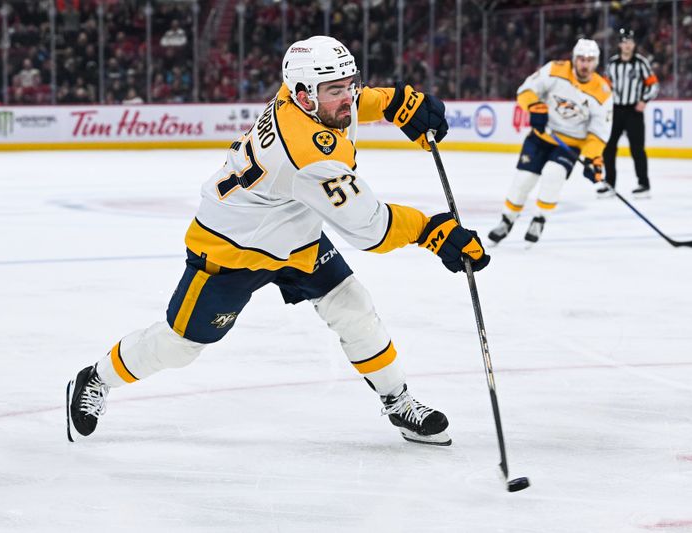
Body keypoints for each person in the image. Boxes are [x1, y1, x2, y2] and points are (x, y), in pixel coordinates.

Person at [66, 36, 490, 447]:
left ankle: (397, 402)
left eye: (349, 84)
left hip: (296, 239)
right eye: (335, 90)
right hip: (232, 249)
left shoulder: (302, 99)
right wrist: (433, 231)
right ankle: (96, 378)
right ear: (305, 95)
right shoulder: (309, 153)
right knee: (182, 345)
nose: (348, 98)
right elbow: (370, 229)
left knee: (354, 308)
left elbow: (354, 101)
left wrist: (395, 101)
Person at [487, 38, 613, 245]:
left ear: (596, 62)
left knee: (553, 175)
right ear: (574, 58)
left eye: (590, 60)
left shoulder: (603, 91)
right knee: (523, 180)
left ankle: (539, 219)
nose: (585, 64)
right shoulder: (555, 69)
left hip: (570, 144)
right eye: (581, 59)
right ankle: (507, 220)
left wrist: (593, 158)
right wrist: (535, 107)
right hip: (541, 136)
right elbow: (525, 91)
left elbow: (599, 133)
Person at [601, 28, 659, 199]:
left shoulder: (641, 63)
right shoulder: (612, 64)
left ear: (634, 44)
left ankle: (644, 184)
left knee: (637, 149)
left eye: (630, 42)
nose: (627, 45)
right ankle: (609, 184)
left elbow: (653, 85)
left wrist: (644, 100)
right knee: (609, 148)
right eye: (624, 42)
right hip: (616, 111)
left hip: (634, 111)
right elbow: (604, 87)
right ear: (620, 44)